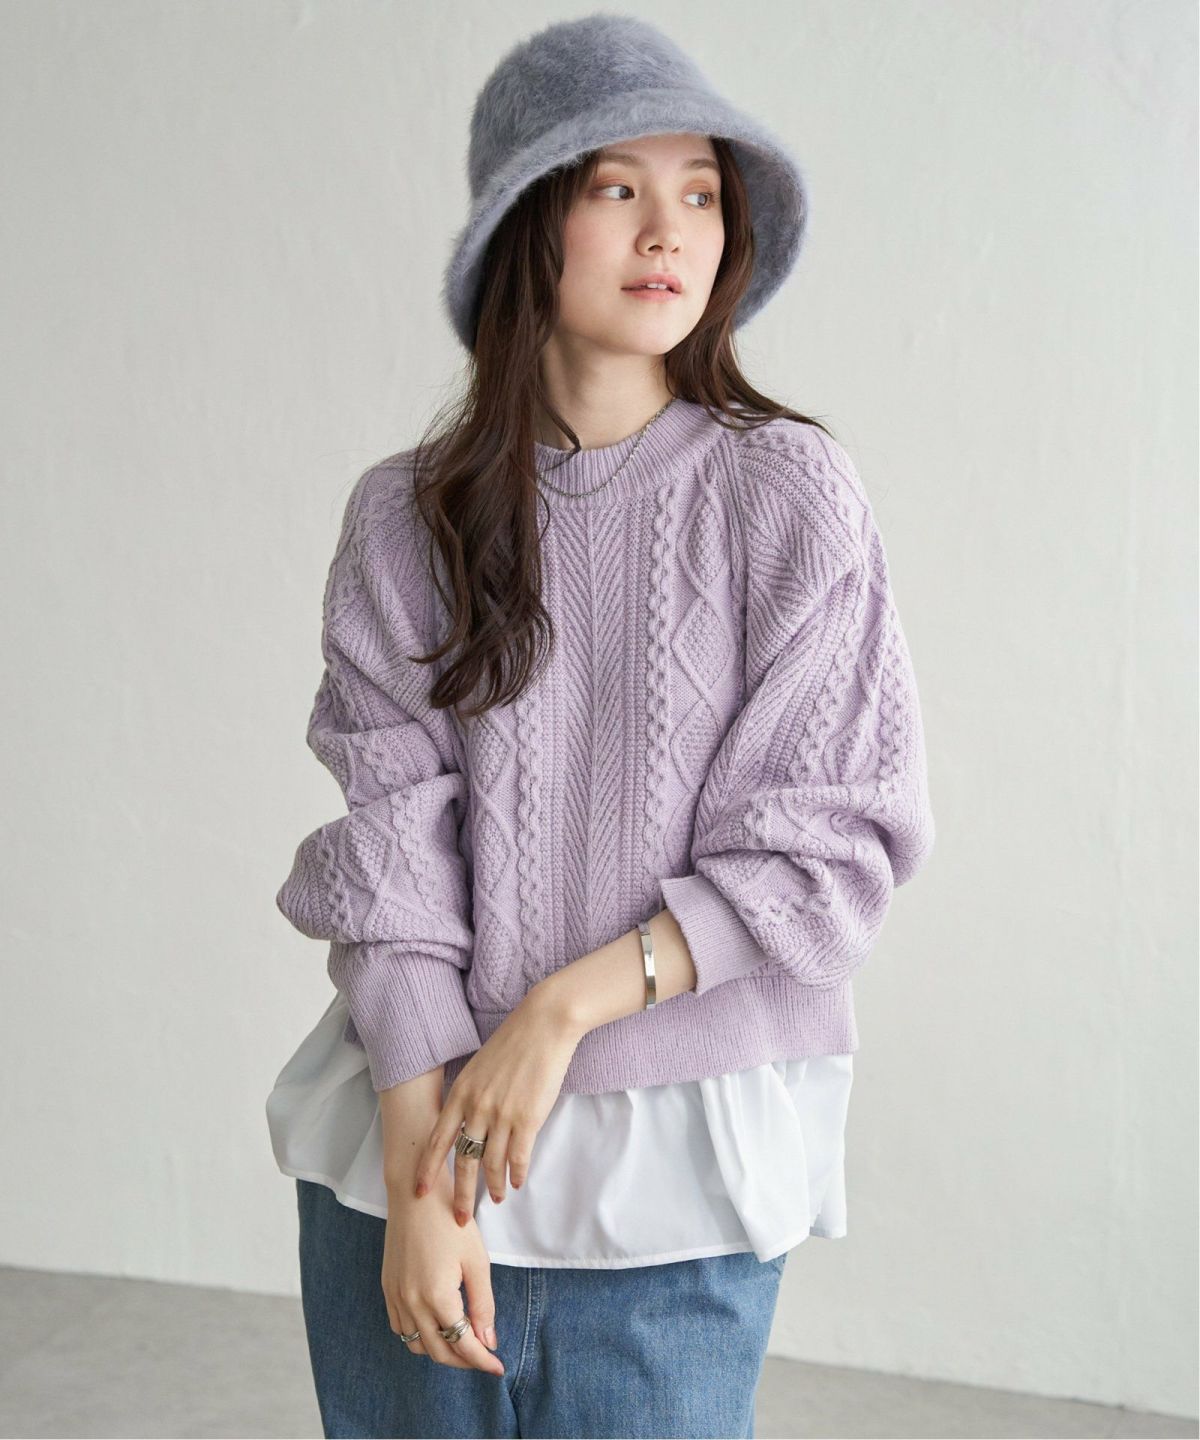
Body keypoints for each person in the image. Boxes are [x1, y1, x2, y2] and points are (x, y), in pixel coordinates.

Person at [266, 13, 936, 1439]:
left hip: (671, 1172)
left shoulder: (787, 493)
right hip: (410, 1145)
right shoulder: (406, 518)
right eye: (616, 186)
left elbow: (830, 846)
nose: (667, 230)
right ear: (528, 223)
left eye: (700, 192)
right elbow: (389, 846)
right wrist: (422, 1181)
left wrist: (561, 1009)